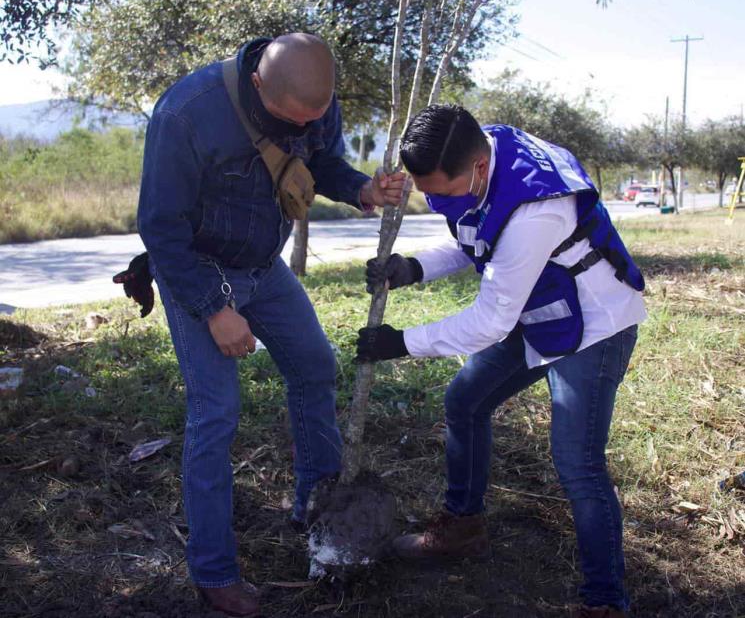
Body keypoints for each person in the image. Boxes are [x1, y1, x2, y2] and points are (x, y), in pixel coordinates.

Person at [131, 33, 405, 616]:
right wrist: (215, 309)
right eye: (292, 118)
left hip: (263, 265)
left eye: (316, 116)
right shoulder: (186, 113)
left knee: (314, 367)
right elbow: (161, 228)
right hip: (197, 271)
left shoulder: (314, 97)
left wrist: (360, 187)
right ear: (259, 83)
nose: (306, 125)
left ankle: (318, 510)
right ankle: (214, 572)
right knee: (216, 413)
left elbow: (319, 161)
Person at [356, 104, 645, 618]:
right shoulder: (472, 151)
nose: (439, 200)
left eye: (442, 190)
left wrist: (402, 343)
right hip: (542, 309)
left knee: (577, 464)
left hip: (596, 325)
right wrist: (414, 267)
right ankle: (463, 526)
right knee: (465, 401)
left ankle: (606, 602)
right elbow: (475, 239)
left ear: (478, 170)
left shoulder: (537, 210)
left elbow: (489, 318)